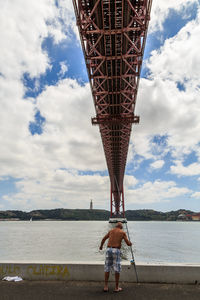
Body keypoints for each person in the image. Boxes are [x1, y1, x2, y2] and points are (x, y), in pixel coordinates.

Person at [99, 222, 132, 292]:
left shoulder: (111, 231)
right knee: (117, 269)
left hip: (108, 249)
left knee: (107, 267)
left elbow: (103, 239)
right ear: (121, 227)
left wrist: (101, 246)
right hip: (116, 250)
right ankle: (116, 287)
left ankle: (105, 287)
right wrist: (130, 243)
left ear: (116, 226)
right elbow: (128, 243)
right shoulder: (122, 232)